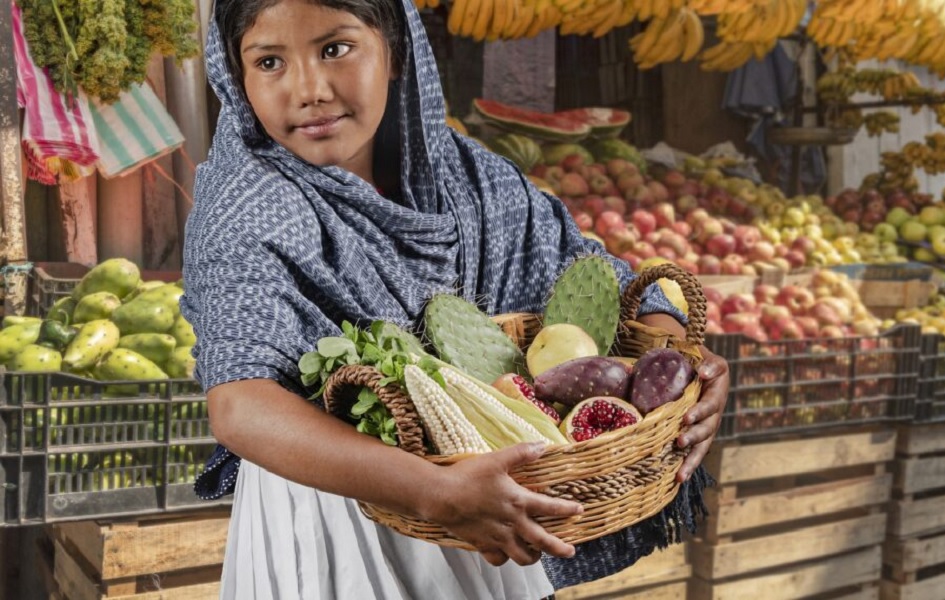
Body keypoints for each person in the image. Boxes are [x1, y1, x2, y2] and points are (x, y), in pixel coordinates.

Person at [183, 0, 730, 598]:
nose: (309, 89)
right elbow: (240, 404)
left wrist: (672, 362)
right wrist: (431, 490)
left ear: (395, 51)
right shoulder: (245, 203)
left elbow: (609, 282)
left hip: (485, 505)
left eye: (335, 49)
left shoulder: (468, 176)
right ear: (237, 78)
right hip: (336, 516)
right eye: (269, 62)